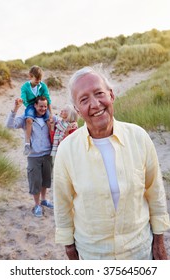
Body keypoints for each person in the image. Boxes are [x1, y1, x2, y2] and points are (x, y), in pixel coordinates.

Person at [53, 66, 170, 260]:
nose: (95, 104)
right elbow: (62, 204)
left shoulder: (139, 137)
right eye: (84, 99)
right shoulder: (67, 150)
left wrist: (159, 244)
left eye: (99, 93)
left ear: (112, 95)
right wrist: (70, 250)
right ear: (77, 110)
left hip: (139, 251)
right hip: (93, 255)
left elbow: (155, 192)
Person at [6, 96, 54, 218]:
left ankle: (44, 200)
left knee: (45, 180)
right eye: (40, 106)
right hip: (34, 156)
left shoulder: (48, 118)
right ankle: (37, 205)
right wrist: (15, 109)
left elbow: (62, 122)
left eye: (45, 106)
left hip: (48, 155)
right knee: (35, 181)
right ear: (35, 106)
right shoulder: (27, 119)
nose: (43, 108)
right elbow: (10, 125)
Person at [21, 65, 52, 156]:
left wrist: (50, 112)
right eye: (36, 79)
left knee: (49, 121)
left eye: (40, 79)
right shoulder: (25, 87)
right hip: (31, 105)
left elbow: (48, 99)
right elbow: (23, 97)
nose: (38, 81)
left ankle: (52, 141)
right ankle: (27, 143)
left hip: (42, 105)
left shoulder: (42, 86)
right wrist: (23, 102)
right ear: (30, 76)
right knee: (29, 120)